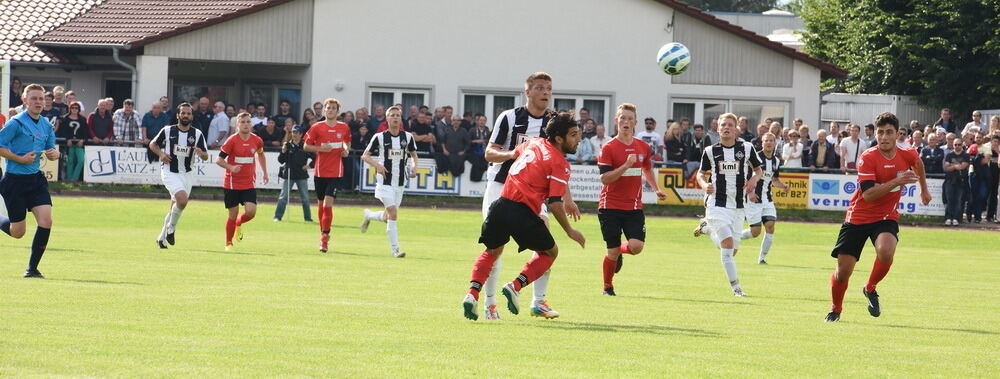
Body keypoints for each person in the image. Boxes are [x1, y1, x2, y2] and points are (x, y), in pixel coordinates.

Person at [461, 112, 586, 321]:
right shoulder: (560, 164)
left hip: (500, 204)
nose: (578, 139)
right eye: (573, 135)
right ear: (559, 138)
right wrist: (570, 231)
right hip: (523, 212)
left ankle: (472, 294)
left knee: (492, 251)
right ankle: (515, 286)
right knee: (550, 252)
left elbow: (519, 157)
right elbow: (555, 203)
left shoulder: (533, 143)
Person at [824, 112, 930, 322]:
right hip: (858, 217)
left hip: (885, 216)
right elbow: (869, 195)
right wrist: (896, 182)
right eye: (880, 132)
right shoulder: (868, 157)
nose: (883, 137)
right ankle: (836, 308)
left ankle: (870, 287)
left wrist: (923, 190)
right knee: (843, 272)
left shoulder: (907, 152)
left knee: (886, 251)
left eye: (888, 132)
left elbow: (918, 165)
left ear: (897, 134)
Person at [597, 103, 667, 296]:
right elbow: (605, 179)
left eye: (629, 119)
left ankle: (619, 250)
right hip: (609, 206)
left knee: (636, 247)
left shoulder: (643, 147)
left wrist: (656, 188)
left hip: (634, 207)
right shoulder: (608, 148)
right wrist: (625, 167)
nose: (626, 122)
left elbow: (646, 168)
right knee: (611, 253)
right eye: (622, 118)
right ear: (616, 121)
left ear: (635, 123)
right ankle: (607, 287)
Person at [692, 112, 763, 297]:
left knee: (733, 250)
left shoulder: (747, 148)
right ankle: (736, 288)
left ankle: (707, 229)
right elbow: (700, 174)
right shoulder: (710, 151)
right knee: (728, 245)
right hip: (716, 204)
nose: (726, 127)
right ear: (718, 128)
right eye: (723, 124)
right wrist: (704, 184)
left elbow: (758, 170)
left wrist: (754, 180)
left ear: (736, 129)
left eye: (730, 124)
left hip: (739, 206)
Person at [0, 84, 60, 278]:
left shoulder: (47, 125)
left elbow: (52, 150)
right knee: (18, 232)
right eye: (33, 98)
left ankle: (32, 269)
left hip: (36, 181)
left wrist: (55, 155)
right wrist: (19, 158)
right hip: (14, 182)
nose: (38, 102)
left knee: (46, 220)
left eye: (41, 99)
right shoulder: (15, 123)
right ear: (25, 101)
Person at [359, 105, 419, 258]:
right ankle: (395, 249)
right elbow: (365, 156)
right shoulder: (379, 137)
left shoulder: (407, 137)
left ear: (400, 118)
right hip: (384, 182)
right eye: (392, 115)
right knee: (393, 213)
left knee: (388, 216)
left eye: (397, 115)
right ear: (387, 119)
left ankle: (369, 216)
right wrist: (377, 165)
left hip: (400, 183)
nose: (395, 117)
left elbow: (413, 155)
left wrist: (414, 167)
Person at [149, 103, 210, 249]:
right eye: (183, 113)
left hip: (187, 174)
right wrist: (162, 154)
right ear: (178, 115)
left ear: (192, 116)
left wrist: (201, 154)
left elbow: (206, 156)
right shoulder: (168, 130)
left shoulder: (197, 134)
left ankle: (161, 238)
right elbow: (153, 144)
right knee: (182, 201)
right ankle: (171, 229)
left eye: (188, 113)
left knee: (174, 208)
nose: (186, 116)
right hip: (170, 171)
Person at [304, 98, 351, 253]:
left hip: (335, 172)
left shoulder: (344, 127)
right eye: (328, 108)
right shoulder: (317, 127)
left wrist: (346, 150)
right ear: (324, 110)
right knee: (320, 206)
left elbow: (347, 142)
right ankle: (323, 232)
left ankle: (324, 239)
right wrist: (321, 148)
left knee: (327, 205)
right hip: (320, 172)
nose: (330, 110)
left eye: (333, 108)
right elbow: (306, 146)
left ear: (337, 111)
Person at [216, 113, 268, 250]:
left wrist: (265, 172)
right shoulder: (231, 140)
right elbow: (219, 160)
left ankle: (239, 222)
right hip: (232, 183)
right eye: (243, 122)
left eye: (248, 122)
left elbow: (261, 155)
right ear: (238, 124)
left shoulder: (257, 140)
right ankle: (228, 242)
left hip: (248, 183)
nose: (246, 124)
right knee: (232, 214)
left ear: (251, 124)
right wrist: (231, 167)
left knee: (251, 212)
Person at [738, 133, 789, 264]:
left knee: (770, 226)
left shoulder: (776, 161)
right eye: (766, 141)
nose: (769, 143)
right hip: (753, 199)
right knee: (755, 232)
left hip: (767, 199)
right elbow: (746, 177)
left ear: (775, 143)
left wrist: (783, 186)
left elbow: (774, 180)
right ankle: (733, 237)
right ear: (762, 143)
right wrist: (749, 193)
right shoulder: (755, 158)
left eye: (771, 141)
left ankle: (762, 258)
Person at [274, 125, 314, 222]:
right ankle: (277, 217)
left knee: (305, 198)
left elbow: (315, 158)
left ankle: (308, 218)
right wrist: (283, 151)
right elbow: (280, 160)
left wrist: (309, 166)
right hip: (289, 174)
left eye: (297, 133)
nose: (295, 134)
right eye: (293, 132)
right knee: (283, 197)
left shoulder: (305, 145)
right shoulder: (287, 145)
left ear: (301, 134)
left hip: (301, 175)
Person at [58, 101, 89, 181]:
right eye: (72, 107)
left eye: (76, 108)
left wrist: (82, 140)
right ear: (69, 109)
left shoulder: (82, 119)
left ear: (79, 109)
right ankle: (69, 179)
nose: (74, 109)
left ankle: (74, 178)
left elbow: (86, 132)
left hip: (79, 144)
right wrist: (67, 139)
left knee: (81, 160)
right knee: (70, 162)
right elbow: (62, 131)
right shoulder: (65, 118)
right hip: (69, 144)